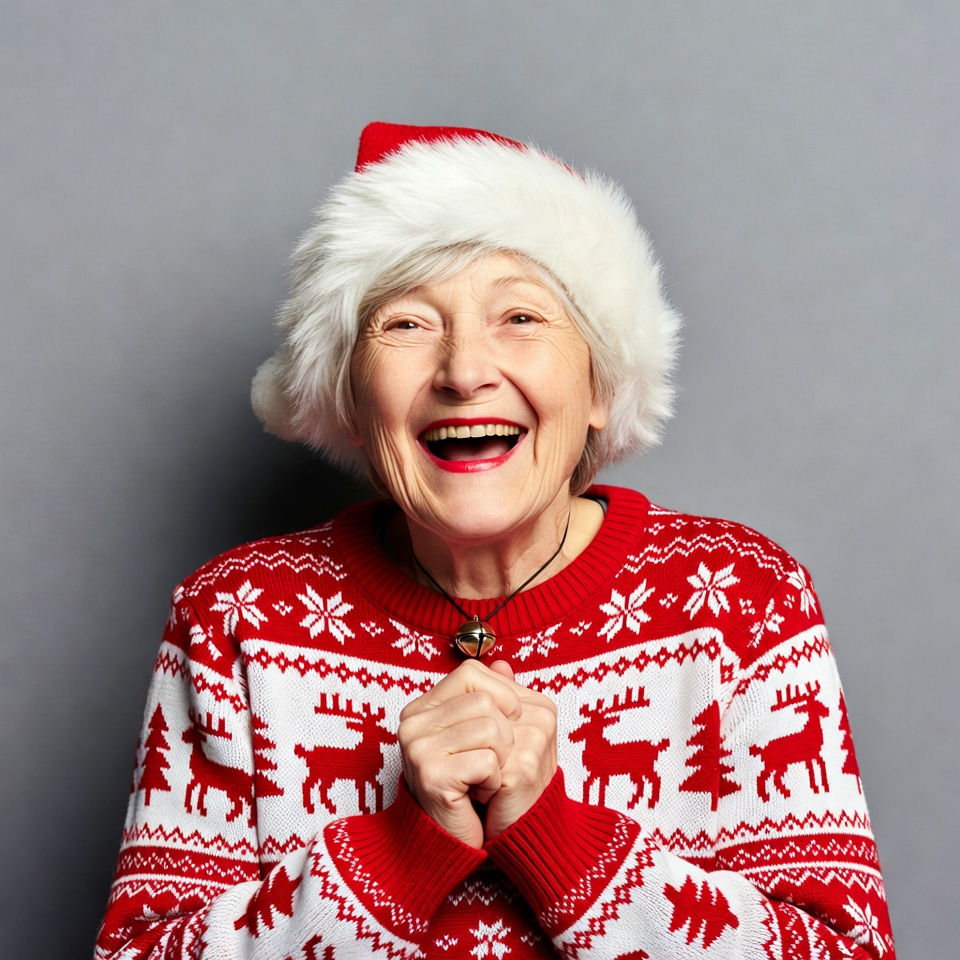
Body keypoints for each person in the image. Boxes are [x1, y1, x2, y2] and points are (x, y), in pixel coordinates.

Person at [95, 122, 895, 959]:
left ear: (600, 384)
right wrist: (404, 851)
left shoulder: (744, 599)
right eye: (406, 325)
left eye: (519, 315)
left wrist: (554, 835)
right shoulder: (237, 617)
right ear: (351, 401)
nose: (464, 371)